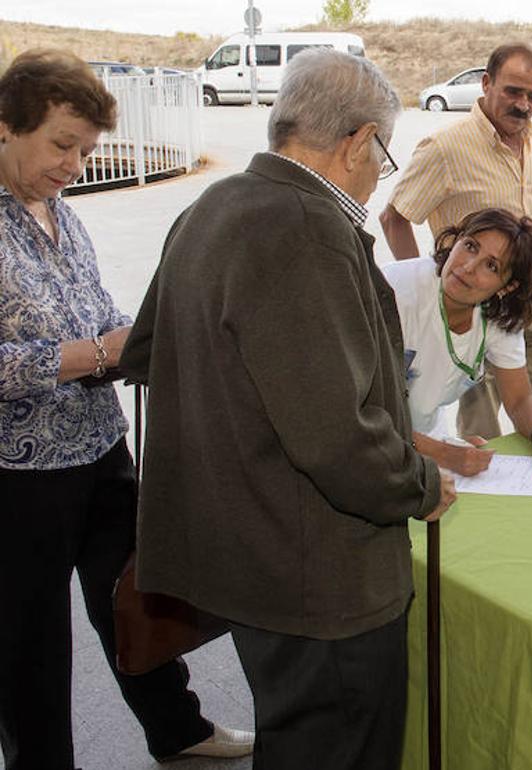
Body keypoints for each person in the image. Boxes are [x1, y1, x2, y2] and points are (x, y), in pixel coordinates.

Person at [120, 49, 455, 768]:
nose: (376, 175)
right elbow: (338, 437)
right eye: (381, 155)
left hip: (245, 554)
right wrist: (421, 487)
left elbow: (145, 352)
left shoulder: (213, 203)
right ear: (358, 142)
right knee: (339, 746)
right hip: (318, 577)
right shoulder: (307, 228)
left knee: (297, 736)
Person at [0, 49, 254, 768]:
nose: (75, 164)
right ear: (5, 126)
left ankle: (180, 732)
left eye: (85, 150)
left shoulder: (57, 209)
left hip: (100, 446)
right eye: (61, 145)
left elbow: (95, 310)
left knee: (136, 602)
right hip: (20, 476)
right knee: (30, 642)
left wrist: (144, 340)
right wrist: (94, 355)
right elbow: (77, 345)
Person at [382, 44, 532, 443]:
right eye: (513, 91)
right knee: (481, 427)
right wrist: (431, 290)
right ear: (486, 84)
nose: (523, 104)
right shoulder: (446, 147)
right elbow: (394, 217)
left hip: (529, 301)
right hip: (471, 305)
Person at [383, 208, 532, 478]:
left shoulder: (498, 317)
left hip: (422, 441)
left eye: (491, 265)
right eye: (470, 246)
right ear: (456, 240)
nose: (468, 267)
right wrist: (445, 453)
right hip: (370, 444)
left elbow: (519, 399)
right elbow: (365, 414)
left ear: (507, 287)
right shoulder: (394, 291)